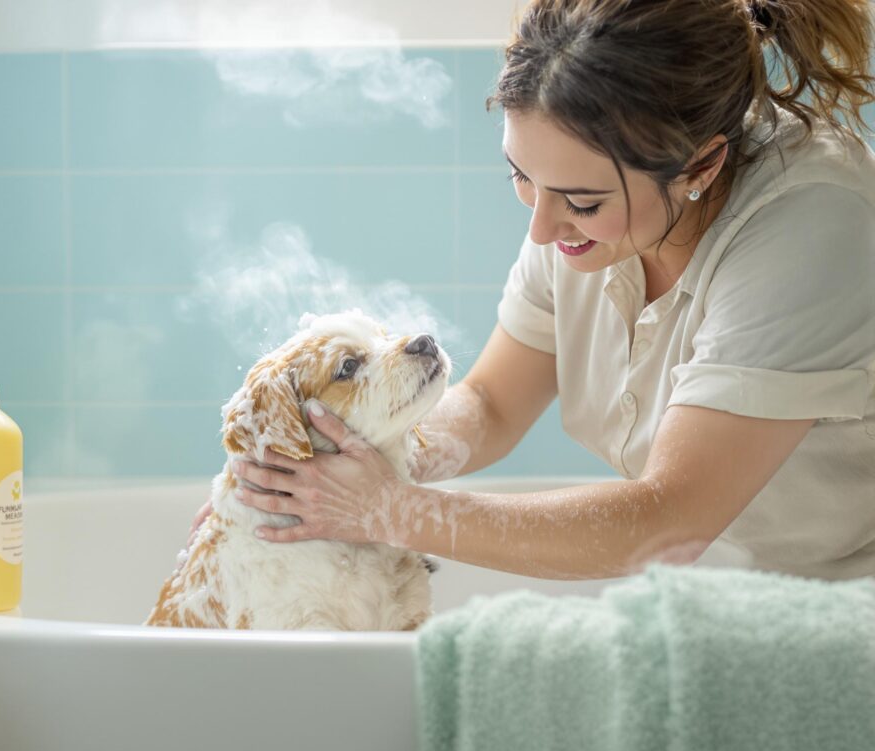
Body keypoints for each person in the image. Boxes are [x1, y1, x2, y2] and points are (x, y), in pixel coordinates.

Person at [198, 0, 875, 580]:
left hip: (837, 621)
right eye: (521, 176)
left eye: (581, 200)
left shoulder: (815, 222)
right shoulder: (585, 213)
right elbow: (492, 405)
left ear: (702, 165)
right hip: (705, 600)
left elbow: (672, 516)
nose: (543, 227)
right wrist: (342, 466)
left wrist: (391, 509)